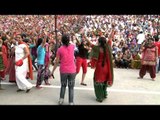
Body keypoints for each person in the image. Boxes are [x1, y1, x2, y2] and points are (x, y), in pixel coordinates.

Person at [87, 36, 114, 102]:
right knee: (104, 81)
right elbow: (110, 38)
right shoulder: (107, 47)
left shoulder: (97, 48)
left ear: (99, 42)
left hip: (100, 68)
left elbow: (90, 43)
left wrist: (85, 37)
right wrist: (113, 30)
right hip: (106, 67)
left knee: (98, 82)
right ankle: (104, 94)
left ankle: (99, 98)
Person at [52, 34, 76, 105]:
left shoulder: (60, 50)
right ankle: (71, 102)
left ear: (62, 41)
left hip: (63, 70)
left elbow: (56, 61)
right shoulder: (72, 46)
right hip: (72, 70)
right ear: (69, 40)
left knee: (63, 85)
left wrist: (53, 71)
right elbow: (73, 41)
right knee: (71, 87)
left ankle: (61, 100)